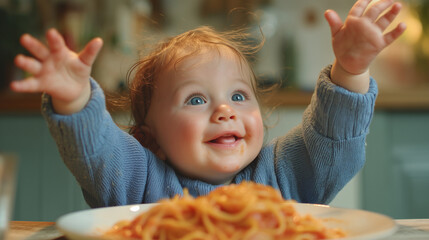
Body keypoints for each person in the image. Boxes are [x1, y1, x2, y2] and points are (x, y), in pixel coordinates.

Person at [11, 0, 405, 208]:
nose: (225, 110)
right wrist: (74, 97)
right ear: (149, 140)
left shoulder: (285, 174)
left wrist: (351, 68)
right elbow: (97, 148)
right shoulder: (137, 181)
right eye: (196, 99)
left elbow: (332, 140)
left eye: (238, 95)